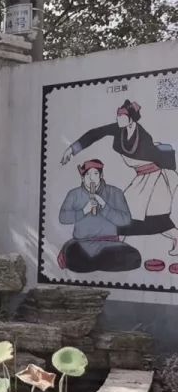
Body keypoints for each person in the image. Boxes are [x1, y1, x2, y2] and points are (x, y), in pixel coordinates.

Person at [60, 99, 177, 253]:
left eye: (122, 117)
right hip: (143, 177)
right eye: (118, 116)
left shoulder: (143, 136)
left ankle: (173, 236)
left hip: (156, 176)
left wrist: (171, 176)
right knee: (126, 212)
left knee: (146, 213)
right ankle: (116, 246)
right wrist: (72, 149)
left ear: (131, 120)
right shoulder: (118, 129)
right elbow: (96, 133)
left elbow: (161, 156)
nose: (118, 119)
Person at [57, 159, 140, 273]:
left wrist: (105, 207)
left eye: (95, 174)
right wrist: (84, 211)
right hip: (82, 243)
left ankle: (93, 263)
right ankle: (99, 263)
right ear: (82, 177)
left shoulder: (115, 192)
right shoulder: (74, 194)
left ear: (101, 175)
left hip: (109, 244)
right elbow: (63, 217)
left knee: (134, 257)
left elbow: (125, 220)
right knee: (73, 255)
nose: (92, 178)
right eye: (88, 174)